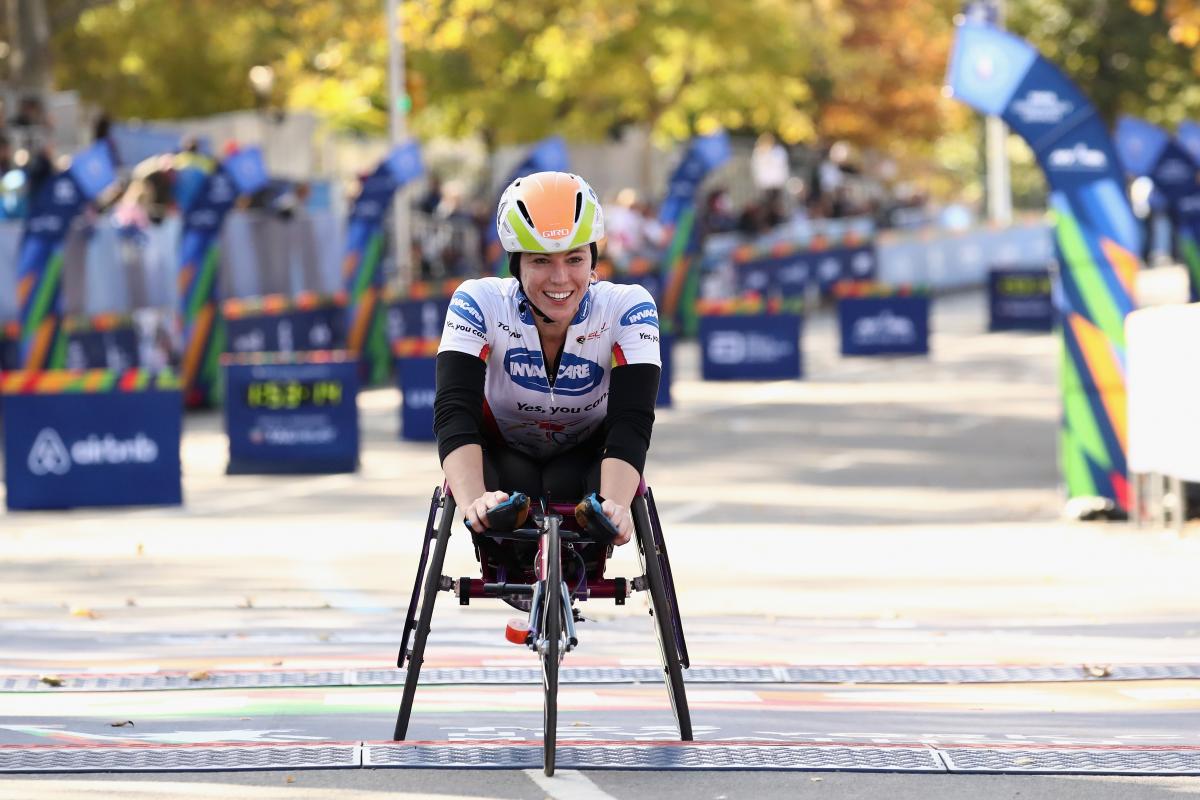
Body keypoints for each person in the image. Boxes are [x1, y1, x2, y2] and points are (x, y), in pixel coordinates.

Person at [434, 171, 661, 546]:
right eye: (540, 261)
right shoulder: (477, 302)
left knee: (596, 504)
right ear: (516, 265)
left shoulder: (628, 307)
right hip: (503, 462)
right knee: (495, 496)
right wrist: (474, 500)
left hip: (588, 461)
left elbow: (632, 421)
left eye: (574, 259)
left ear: (593, 260)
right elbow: (454, 410)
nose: (560, 278)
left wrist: (617, 505)